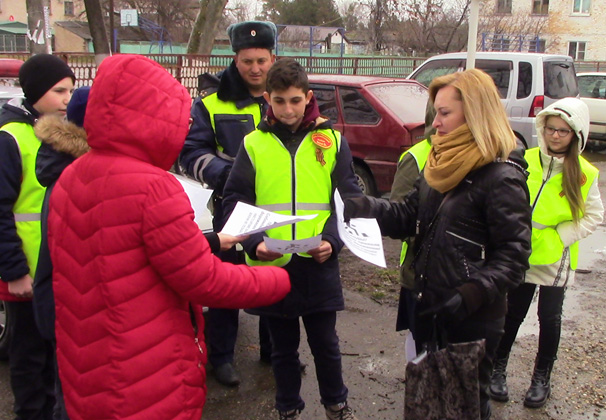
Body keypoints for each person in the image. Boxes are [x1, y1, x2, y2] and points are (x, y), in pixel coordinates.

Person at [45, 54, 291, 420]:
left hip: (87, 365)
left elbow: (125, 255)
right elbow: (203, 280)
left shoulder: (72, 176)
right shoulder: (153, 187)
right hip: (143, 373)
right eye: (181, 119)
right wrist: (278, 278)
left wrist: (209, 242)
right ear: (154, 118)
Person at [343, 68, 533, 420]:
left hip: (472, 318)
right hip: (431, 305)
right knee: (430, 402)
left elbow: (515, 256)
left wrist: (470, 294)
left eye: (444, 113)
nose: (435, 125)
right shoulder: (440, 163)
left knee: (464, 407)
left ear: (474, 113)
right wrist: (364, 207)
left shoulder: (502, 177)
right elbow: (408, 216)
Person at [222, 58, 361, 420]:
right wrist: (254, 244)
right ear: (267, 98)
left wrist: (334, 241)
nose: (287, 109)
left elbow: (348, 201)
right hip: (271, 264)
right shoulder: (253, 144)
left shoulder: (332, 142)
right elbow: (235, 200)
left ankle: (336, 403)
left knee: (326, 345)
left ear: (309, 97)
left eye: (295, 101)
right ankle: (287, 407)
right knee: (282, 350)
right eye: (279, 100)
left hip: (318, 262)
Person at [178, 20, 277, 386]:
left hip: (276, 208)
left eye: (261, 61)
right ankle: (220, 358)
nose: (254, 68)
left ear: (272, 58)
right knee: (226, 283)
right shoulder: (209, 103)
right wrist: (229, 176)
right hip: (230, 208)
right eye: (247, 60)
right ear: (235, 59)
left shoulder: (283, 98)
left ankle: (274, 352)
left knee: (274, 275)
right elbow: (190, 153)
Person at [488, 97, 604, 408]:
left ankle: (542, 378)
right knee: (512, 313)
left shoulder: (583, 173)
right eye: (551, 129)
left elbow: (594, 216)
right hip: (520, 253)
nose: (555, 136)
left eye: (563, 131)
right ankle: (497, 370)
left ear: (576, 134)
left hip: (556, 257)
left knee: (549, 319)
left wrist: (560, 236)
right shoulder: (525, 159)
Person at [0, 53, 75, 420]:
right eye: (59, 91)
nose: (67, 99)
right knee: (29, 357)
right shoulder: (10, 138)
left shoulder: (61, 135)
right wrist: (14, 271)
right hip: (25, 273)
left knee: (55, 356)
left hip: (54, 271)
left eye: (71, 91)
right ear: (35, 92)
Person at [33, 85, 90, 420]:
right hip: (74, 317)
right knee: (71, 401)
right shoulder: (76, 181)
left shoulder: (63, 171)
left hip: (64, 312)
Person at [389, 100, 434, 361]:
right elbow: (400, 212)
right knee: (419, 335)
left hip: (457, 273)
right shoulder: (417, 157)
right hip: (419, 267)